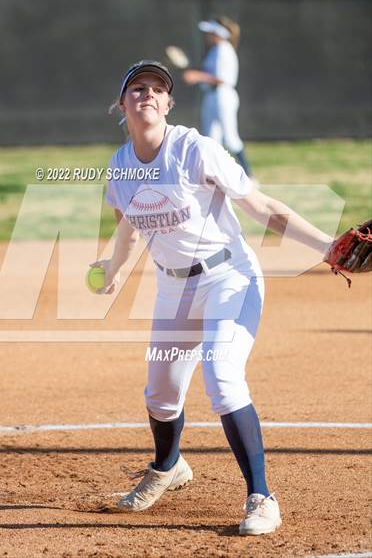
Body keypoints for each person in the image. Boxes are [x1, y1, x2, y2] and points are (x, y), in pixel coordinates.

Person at [92, 60, 332, 536]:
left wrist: (328, 247)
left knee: (222, 379)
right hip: (173, 289)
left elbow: (262, 207)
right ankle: (168, 467)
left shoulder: (194, 150)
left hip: (229, 279)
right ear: (121, 106)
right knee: (160, 396)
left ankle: (262, 497)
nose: (148, 94)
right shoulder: (119, 167)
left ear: (168, 104)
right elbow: (129, 227)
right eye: (136, 88)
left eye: (158, 89)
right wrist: (114, 269)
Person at [182, 17, 253, 179]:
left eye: (210, 32)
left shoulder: (223, 49)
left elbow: (221, 78)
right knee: (211, 140)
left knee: (230, 138)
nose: (207, 35)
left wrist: (197, 76)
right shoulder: (215, 50)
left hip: (223, 96)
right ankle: (215, 178)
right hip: (213, 96)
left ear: (219, 34)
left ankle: (248, 175)